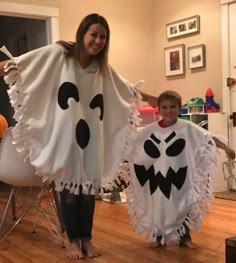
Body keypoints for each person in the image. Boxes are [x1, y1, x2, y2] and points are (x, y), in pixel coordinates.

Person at [0, 13, 157, 260]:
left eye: (103, 37)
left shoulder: (102, 68)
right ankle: (73, 241)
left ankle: (87, 240)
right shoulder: (60, 54)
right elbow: (32, 65)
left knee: (87, 193)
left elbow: (124, 88)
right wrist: (12, 67)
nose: (98, 41)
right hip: (65, 136)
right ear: (83, 33)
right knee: (69, 192)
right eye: (94, 34)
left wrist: (148, 97)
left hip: (92, 137)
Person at [126, 90, 235, 249]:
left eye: (172, 107)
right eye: (164, 107)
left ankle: (185, 237)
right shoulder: (151, 130)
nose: (168, 111)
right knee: (159, 204)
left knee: (183, 204)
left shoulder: (187, 127)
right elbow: (134, 144)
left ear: (179, 108)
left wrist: (226, 148)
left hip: (180, 176)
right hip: (157, 177)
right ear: (158, 109)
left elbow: (208, 137)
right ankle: (158, 236)